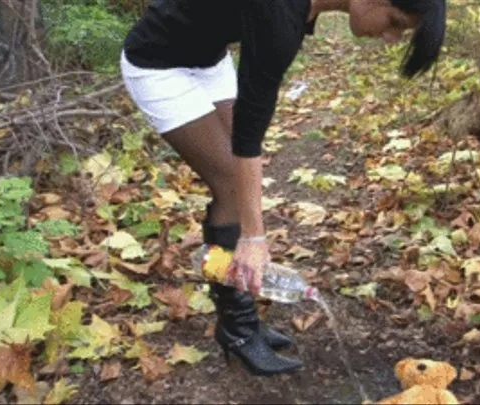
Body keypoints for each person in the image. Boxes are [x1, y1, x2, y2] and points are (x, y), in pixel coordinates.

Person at [120, 0, 446, 377]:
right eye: (394, 23)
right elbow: (250, 129)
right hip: (158, 62)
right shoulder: (279, 15)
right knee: (230, 182)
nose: (390, 38)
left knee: (243, 183)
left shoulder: (296, 13)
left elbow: (252, 122)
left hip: (208, 60)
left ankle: (239, 315)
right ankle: (237, 329)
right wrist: (254, 238)